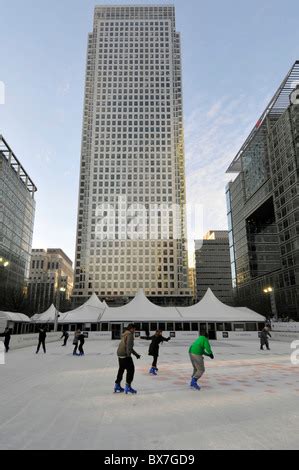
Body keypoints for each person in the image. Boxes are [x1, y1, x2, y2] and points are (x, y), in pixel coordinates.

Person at [114, 324, 141, 394]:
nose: (135, 330)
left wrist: (136, 354)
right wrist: (128, 356)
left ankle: (117, 385)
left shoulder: (125, 334)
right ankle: (128, 387)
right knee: (131, 369)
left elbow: (128, 346)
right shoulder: (130, 335)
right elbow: (129, 347)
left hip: (120, 354)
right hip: (125, 354)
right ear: (131, 328)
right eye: (134, 329)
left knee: (121, 369)